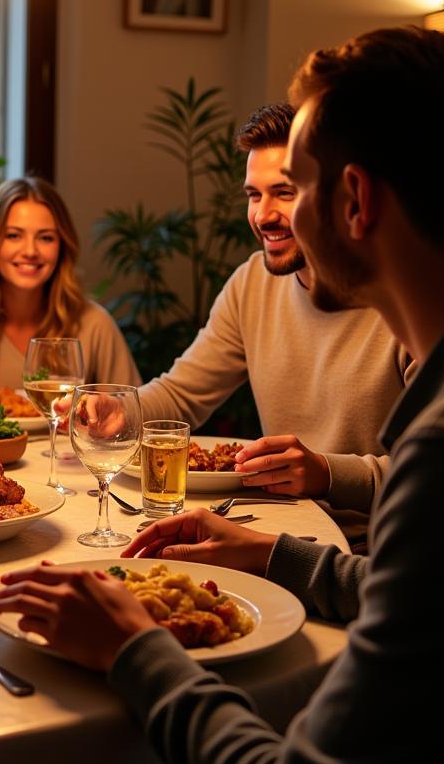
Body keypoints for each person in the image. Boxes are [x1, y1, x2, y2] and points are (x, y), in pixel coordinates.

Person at [0, 26, 444, 764]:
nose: (273, 217)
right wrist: (270, 554)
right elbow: (413, 595)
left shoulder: (442, 447)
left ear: (355, 201)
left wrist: (134, 647)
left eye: (295, 187)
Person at [135, 102, 411, 542]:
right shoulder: (252, 282)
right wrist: (116, 411)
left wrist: (326, 472)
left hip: (370, 553)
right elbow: (181, 394)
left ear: (341, 192)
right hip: (278, 531)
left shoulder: (405, 300)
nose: (262, 215)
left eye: (284, 192)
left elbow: (434, 472)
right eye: (253, 195)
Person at [0, 177, 140, 390]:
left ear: (63, 247)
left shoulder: (95, 324)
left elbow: (131, 413)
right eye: (13, 236)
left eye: (46, 238)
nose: (30, 251)